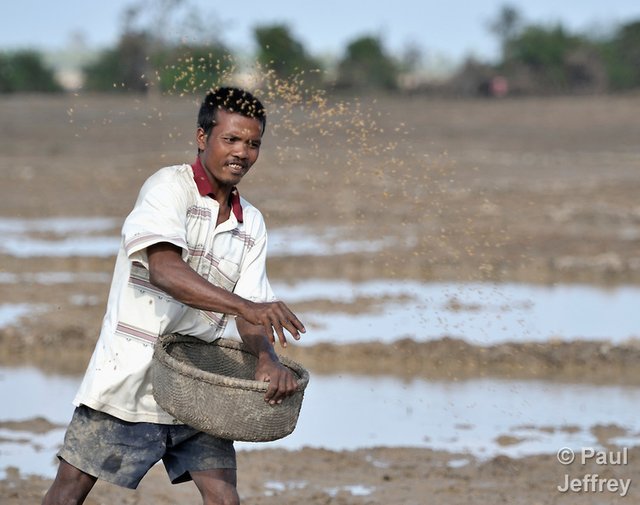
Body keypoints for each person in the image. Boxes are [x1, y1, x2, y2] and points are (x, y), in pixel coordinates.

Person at [42, 86, 306, 505]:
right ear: (203, 138)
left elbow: (251, 311)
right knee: (70, 491)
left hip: (195, 384)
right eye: (231, 139)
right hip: (128, 373)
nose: (242, 152)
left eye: (253, 143)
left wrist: (267, 359)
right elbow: (165, 271)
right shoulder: (168, 188)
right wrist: (246, 306)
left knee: (224, 497)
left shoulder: (250, 223)